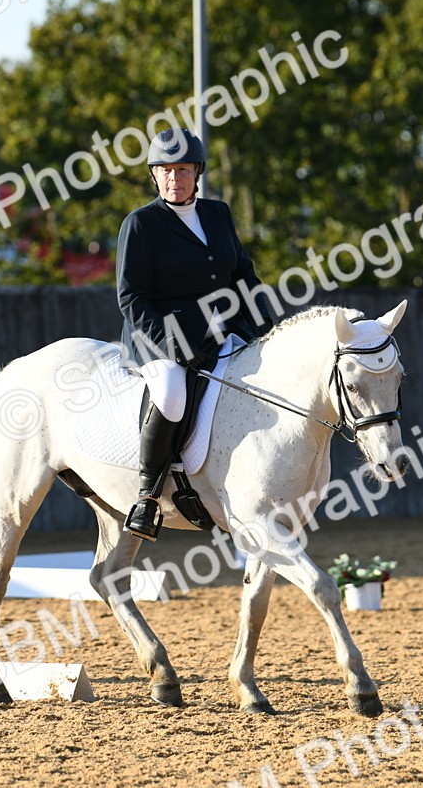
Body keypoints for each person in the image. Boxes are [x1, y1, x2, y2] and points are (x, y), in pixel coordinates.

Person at [116, 127, 274, 542]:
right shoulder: (141, 225)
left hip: (220, 331)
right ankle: (147, 497)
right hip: (160, 337)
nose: (174, 178)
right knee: (171, 391)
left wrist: (268, 329)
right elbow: (131, 297)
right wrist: (172, 345)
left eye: (182, 169)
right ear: (154, 175)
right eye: (165, 170)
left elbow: (243, 276)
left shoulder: (218, 214)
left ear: (197, 172)